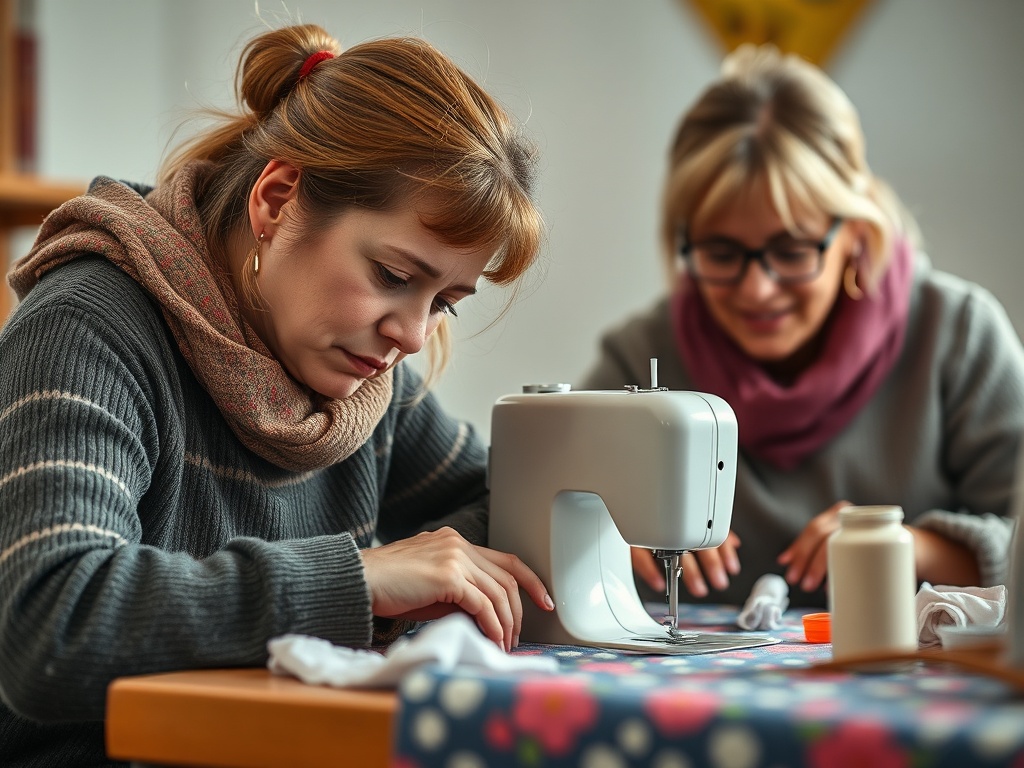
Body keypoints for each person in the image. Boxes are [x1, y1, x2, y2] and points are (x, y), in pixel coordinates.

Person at [0, 23, 553, 767]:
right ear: (278, 197)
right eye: (393, 275)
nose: (413, 335)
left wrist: (426, 580)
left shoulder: (366, 388)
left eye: (444, 301)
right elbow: (48, 623)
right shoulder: (91, 328)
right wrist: (357, 580)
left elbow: (505, 506)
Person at [578, 44, 1024, 610]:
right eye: (720, 251)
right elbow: (547, 524)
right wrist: (605, 535)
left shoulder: (958, 338)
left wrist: (907, 547)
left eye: (790, 250)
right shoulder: (640, 358)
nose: (756, 289)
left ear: (856, 236)